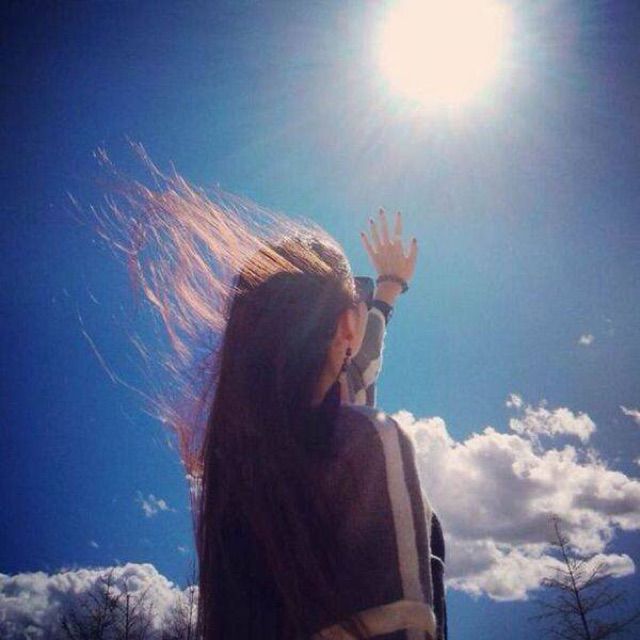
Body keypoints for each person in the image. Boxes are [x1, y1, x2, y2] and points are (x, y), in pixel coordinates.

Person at [84, 148, 445, 640]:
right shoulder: (363, 441)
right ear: (346, 325)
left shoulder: (240, 471)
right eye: (354, 301)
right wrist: (387, 287)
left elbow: (355, 365)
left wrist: (385, 291)